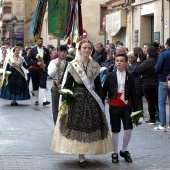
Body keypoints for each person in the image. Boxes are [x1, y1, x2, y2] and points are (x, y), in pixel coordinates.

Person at [51, 39, 113, 167]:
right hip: (77, 99)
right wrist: (67, 98)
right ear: (79, 49)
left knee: (91, 126)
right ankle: (81, 156)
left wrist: (101, 99)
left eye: (89, 48)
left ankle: (89, 150)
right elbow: (67, 85)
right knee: (78, 126)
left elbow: (98, 86)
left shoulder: (95, 65)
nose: (87, 50)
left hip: (92, 99)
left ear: (91, 50)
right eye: (84, 48)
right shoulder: (73, 65)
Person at [103, 53, 138, 163]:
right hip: (114, 106)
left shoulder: (130, 76)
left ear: (126, 62)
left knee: (128, 129)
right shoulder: (110, 76)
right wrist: (101, 106)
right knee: (115, 130)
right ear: (115, 62)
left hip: (126, 106)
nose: (119, 62)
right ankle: (115, 152)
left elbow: (133, 93)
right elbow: (104, 92)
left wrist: (136, 110)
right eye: (117, 60)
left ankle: (124, 150)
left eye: (121, 60)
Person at [135, 46, 159, 124]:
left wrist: (139, 62)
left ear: (149, 53)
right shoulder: (158, 60)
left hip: (147, 84)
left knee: (150, 102)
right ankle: (160, 118)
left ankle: (152, 119)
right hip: (157, 83)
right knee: (157, 102)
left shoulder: (147, 61)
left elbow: (139, 69)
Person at [48, 45, 68, 125]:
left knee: (64, 106)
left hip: (65, 87)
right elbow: (50, 74)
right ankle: (56, 125)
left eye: (64, 51)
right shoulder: (53, 62)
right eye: (61, 51)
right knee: (55, 107)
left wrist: (63, 84)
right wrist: (56, 66)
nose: (63, 53)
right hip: (55, 86)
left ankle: (64, 124)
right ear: (58, 52)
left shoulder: (69, 63)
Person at [28, 37, 51, 106]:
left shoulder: (46, 50)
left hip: (43, 70)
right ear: (36, 42)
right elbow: (29, 60)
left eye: (41, 41)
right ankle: (36, 99)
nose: (40, 42)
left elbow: (48, 60)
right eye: (39, 41)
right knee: (35, 84)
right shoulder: (32, 50)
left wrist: (45, 65)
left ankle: (45, 100)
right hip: (35, 70)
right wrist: (36, 63)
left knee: (43, 83)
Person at [154, 38, 170, 131]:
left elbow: (157, 68)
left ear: (167, 44)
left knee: (162, 103)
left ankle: (163, 124)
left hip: (164, 80)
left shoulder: (163, 55)